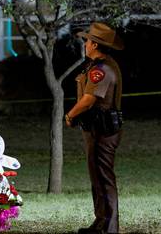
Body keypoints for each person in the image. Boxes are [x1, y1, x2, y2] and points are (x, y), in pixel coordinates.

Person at [65, 22, 124, 234]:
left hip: (102, 131)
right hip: (96, 130)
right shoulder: (98, 65)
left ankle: (109, 227)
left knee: (104, 178)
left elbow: (89, 100)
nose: (85, 44)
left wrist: (70, 115)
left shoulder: (102, 69)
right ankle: (101, 223)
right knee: (97, 178)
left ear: (95, 45)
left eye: (88, 41)